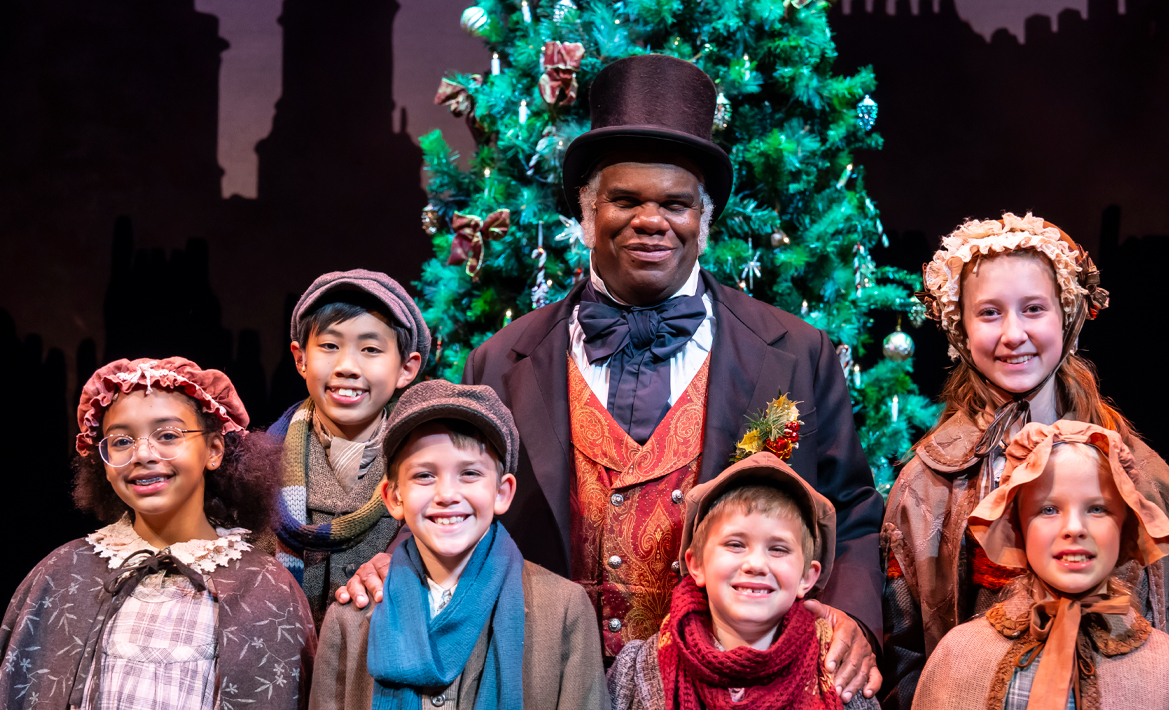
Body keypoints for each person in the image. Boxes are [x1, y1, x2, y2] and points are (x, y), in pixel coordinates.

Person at [343, 53, 883, 702]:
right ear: (587, 213)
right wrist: (398, 566)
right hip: (539, 680)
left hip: (718, 687)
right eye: (625, 199)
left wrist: (854, 618)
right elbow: (456, 493)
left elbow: (851, 508)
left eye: (676, 203)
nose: (651, 220)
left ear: (705, 219)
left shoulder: (792, 355)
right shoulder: (501, 362)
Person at [880, 213, 1169, 708]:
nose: (1013, 333)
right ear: (961, 330)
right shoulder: (928, 483)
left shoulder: (1135, 470)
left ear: (1067, 316)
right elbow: (905, 652)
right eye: (989, 313)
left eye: (1033, 309)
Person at [0, 357, 316, 709]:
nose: (142, 454)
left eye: (167, 435)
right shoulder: (61, 573)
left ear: (213, 450)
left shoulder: (264, 585)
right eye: (121, 441)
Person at [312, 379, 608, 709]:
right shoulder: (349, 618)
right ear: (394, 497)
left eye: (469, 473)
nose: (447, 495)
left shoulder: (564, 610)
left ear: (502, 492)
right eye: (424, 475)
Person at [914, 421, 1169, 709]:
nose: (1074, 528)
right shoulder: (962, 654)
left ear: (1125, 526)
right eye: (1048, 509)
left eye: (1097, 509)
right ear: (1017, 526)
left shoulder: (1168, 669)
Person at [609, 451, 879, 710]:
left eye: (778, 549)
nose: (756, 564)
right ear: (697, 565)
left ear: (806, 577)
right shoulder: (637, 668)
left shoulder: (838, 668)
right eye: (735, 544)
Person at [268, 269, 427, 625]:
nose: (347, 367)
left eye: (371, 349)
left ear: (406, 367)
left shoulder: (427, 472)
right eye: (329, 346)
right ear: (300, 358)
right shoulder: (260, 464)